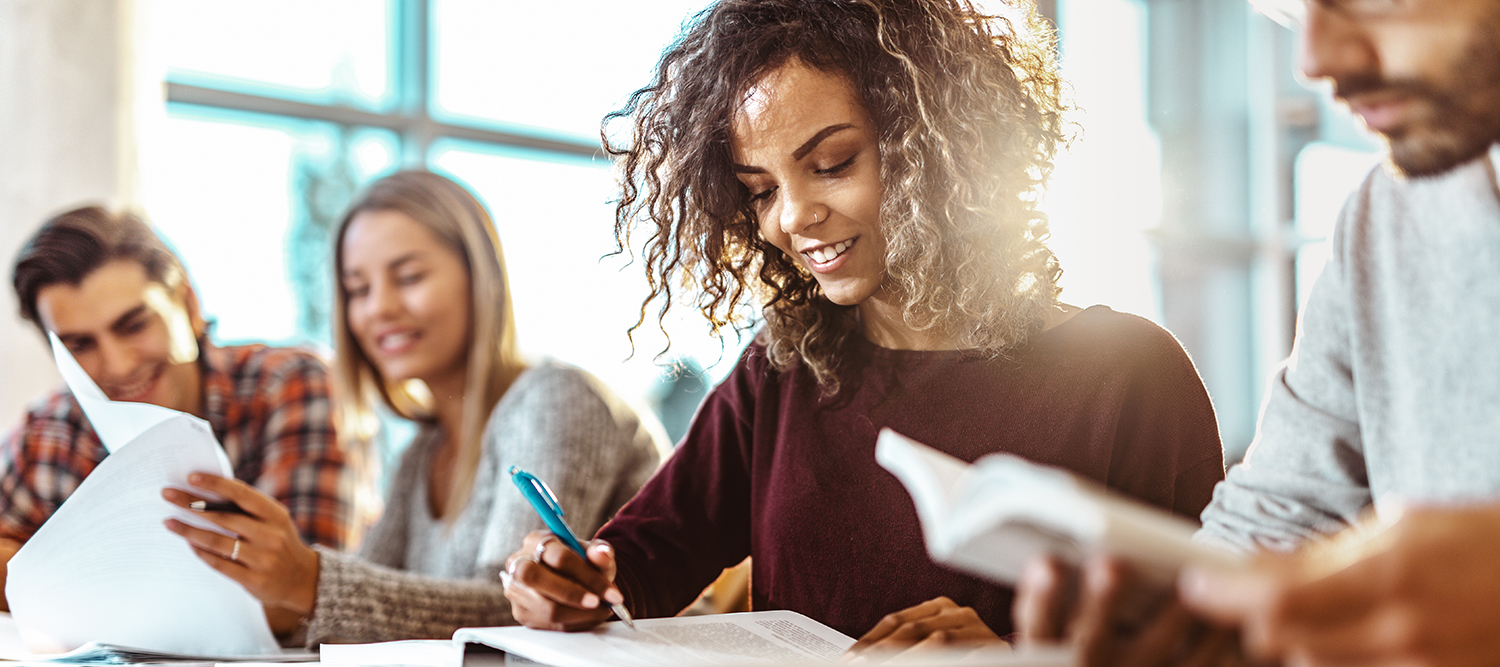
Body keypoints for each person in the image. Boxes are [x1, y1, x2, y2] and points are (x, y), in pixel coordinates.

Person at [500, 0, 1224, 653]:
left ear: (940, 149)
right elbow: (645, 558)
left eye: (832, 163)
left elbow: (1212, 631)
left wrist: (1008, 654)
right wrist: (573, 581)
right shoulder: (782, 371)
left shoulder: (1131, 374)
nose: (792, 218)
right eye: (760, 190)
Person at [1015, 0, 1500, 665]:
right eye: (1293, 7)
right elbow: (1280, 512)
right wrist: (1165, 615)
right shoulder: (1387, 217)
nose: (1315, 60)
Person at [161, 170, 667, 645]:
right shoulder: (423, 453)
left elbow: (514, 609)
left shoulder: (556, 398)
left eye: (407, 277)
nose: (377, 307)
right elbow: (367, 600)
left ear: (479, 277)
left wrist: (308, 584)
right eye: (358, 289)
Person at [0, 207, 356, 629]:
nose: (117, 366)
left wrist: (65, 578)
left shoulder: (288, 384)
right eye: (80, 345)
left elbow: (301, 596)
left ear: (188, 304)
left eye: (133, 325)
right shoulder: (50, 428)